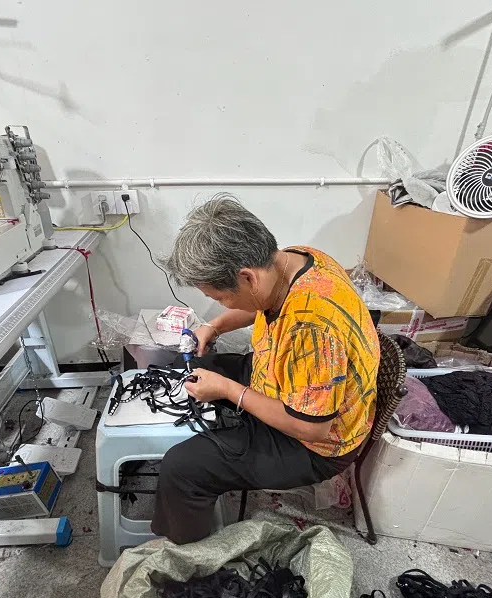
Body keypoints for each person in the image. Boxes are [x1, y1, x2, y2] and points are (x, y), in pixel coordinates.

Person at [151, 195, 380, 544]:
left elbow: (312, 428)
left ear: (246, 278)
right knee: (190, 368)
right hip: (283, 376)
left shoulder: (312, 326)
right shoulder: (293, 259)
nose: (220, 304)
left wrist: (229, 391)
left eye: (219, 298)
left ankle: (190, 555)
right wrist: (213, 327)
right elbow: (260, 304)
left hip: (313, 443)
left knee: (182, 468)